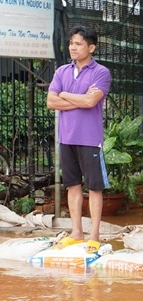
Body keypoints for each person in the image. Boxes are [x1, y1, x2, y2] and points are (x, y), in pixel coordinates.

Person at [47, 25, 111, 253]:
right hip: (66, 138)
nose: (73, 48)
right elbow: (51, 102)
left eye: (79, 44)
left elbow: (90, 102)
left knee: (94, 187)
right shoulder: (61, 71)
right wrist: (78, 98)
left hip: (90, 139)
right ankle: (76, 232)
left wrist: (64, 94)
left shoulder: (101, 72)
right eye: (71, 43)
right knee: (72, 186)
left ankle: (94, 235)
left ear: (91, 47)